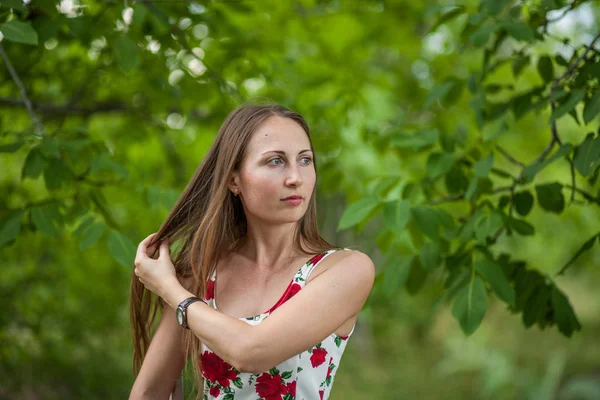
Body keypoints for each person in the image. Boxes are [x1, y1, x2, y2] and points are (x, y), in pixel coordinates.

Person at [129, 104, 375, 400]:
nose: (295, 177)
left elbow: (252, 351)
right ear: (234, 180)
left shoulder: (345, 270)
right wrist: (178, 290)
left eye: (305, 160)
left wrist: (169, 289)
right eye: (275, 161)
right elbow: (148, 392)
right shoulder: (203, 275)